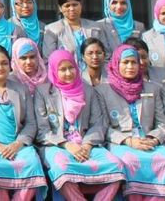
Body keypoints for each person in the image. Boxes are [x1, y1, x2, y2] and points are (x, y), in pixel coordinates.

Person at [34, 49, 126, 201]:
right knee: (62, 169)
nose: (68, 73)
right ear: (54, 70)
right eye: (62, 69)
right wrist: (67, 145)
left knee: (117, 166)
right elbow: (43, 130)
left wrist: (87, 145)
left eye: (71, 67)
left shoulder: (88, 90)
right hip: (57, 145)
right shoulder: (43, 92)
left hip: (87, 144)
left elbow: (98, 123)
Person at [99, 44, 165, 201]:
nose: (130, 66)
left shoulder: (153, 88)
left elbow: (161, 123)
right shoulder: (103, 91)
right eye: (125, 62)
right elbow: (103, 127)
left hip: (149, 141)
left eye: (134, 62)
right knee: (129, 161)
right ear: (116, 64)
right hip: (122, 143)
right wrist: (129, 141)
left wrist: (154, 138)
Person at [0, 43, 47, 201]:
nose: (0, 67)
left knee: (33, 163)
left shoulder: (21, 89)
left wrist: (17, 144)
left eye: (4, 63)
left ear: (10, 64)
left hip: (18, 145)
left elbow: (31, 123)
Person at [44, 0, 115, 58]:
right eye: (67, 6)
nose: (72, 9)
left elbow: (106, 55)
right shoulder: (52, 30)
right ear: (60, 8)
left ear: (81, 5)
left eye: (75, 5)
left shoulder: (96, 27)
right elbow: (49, 59)